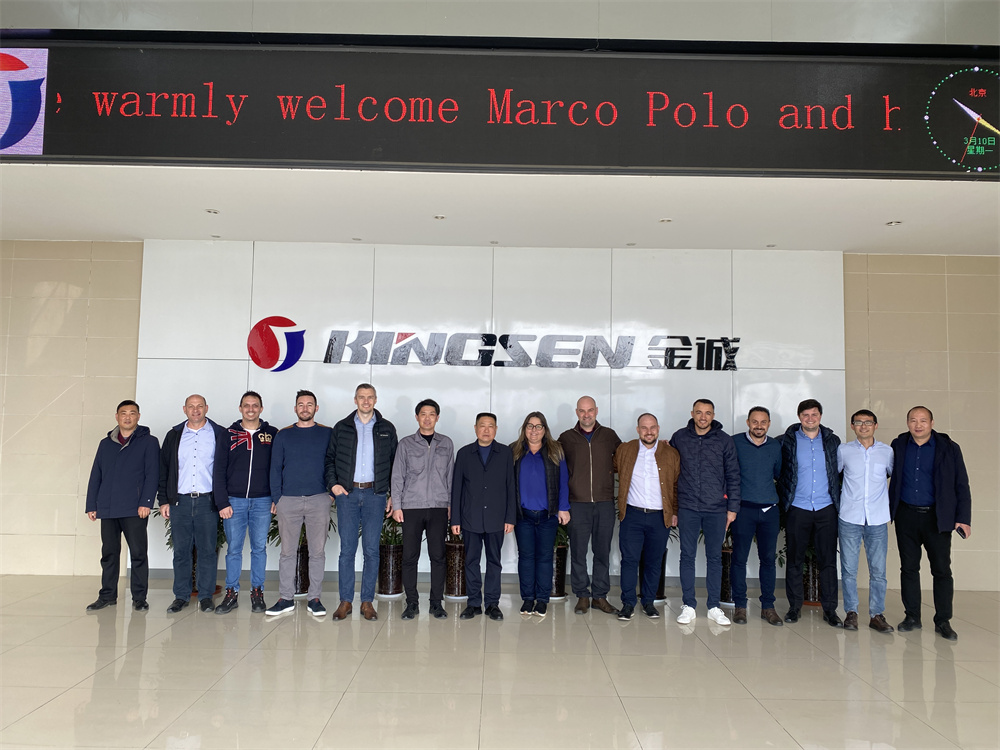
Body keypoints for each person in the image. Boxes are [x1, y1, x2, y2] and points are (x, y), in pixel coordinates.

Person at [889, 406, 972, 641]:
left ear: (932, 423)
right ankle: (912, 616)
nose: (918, 425)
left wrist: (963, 518)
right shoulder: (899, 445)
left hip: (937, 517)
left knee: (941, 570)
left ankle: (943, 620)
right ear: (907, 423)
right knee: (909, 568)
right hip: (906, 515)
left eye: (923, 420)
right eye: (913, 420)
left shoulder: (949, 448)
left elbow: (961, 484)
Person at [325, 383, 398, 622]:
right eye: (361, 397)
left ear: (376, 400)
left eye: (370, 397)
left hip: (375, 495)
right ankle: (345, 601)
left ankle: (367, 602)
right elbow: (330, 459)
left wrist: (392, 494)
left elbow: (395, 463)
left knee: (371, 550)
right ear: (355, 400)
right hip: (347, 494)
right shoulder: (342, 427)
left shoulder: (387, 428)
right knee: (347, 550)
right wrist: (334, 485)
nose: (366, 401)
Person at [670, 399, 741, 627]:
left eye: (708, 413)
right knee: (687, 556)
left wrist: (732, 509)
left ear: (713, 415)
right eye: (699, 412)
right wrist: (673, 508)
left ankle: (713, 607)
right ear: (692, 413)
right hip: (688, 506)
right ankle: (688, 605)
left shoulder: (724, 440)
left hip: (716, 509)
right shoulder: (679, 437)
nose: (703, 417)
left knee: (715, 558)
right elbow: (670, 470)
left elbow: (733, 475)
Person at [85, 400, 160, 612]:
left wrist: (146, 502)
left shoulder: (149, 442)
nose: (127, 417)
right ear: (117, 417)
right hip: (108, 507)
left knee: (138, 553)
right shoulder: (105, 443)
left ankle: (139, 598)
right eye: (123, 413)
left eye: (132, 413)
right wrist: (92, 504)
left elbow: (152, 474)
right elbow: (96, 474)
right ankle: (107, 595)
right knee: (109, 553)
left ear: (138, 417)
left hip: (134, 508)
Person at [265, 390, 334, 618]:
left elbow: (336, 463)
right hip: (289, 501)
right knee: (287, 552)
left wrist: (331, 494)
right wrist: (278, 498)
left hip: (319, 499)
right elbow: (275, 468)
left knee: (317, 552)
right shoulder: (283, 435)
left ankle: (314, 598)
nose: (305, 408)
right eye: (301, 404)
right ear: (295, 409)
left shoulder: (327, 434)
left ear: (316, 408)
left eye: (309, 404)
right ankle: (286, 598)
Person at [158, 394, 229, 614]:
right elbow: (164, 469)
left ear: (207, 408)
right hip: (179, 502)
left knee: (207, 551)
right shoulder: (174, 435)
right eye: (191, 406)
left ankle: (206, 596)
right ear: (184, 409)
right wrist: (163, 500)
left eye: (199, 406)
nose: (195, 410)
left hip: (207, 501)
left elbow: (226, 469)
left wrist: (223, 501)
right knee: (181, 551)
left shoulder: (219, 434)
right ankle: (181, 596)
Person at [777, 398, 842, 626]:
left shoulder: (833, 441)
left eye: (814, 414)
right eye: (805, 415)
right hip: (798, 507)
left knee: (828, 561)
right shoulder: (786, 441)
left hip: (826, 508)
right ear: (799, 417)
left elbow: (839, 472)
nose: (810, 419)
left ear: (820, 416)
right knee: (795, 559)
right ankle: (794, 607)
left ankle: (830, 610)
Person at [558, 396, 622, 616]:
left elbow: (627, 458)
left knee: (602, 551)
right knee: (578, 552)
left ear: (596, 411)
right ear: (577, 412)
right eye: (582, 411)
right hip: (577, 504)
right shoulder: (566, 438)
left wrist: (662, 446)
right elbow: (555, 466)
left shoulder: (609, 435)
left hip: (604, 503)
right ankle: (582, 596)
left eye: (590, 410)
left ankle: (600, 596)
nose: (586, 415)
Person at [215, 391, 278, 615]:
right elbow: (218, 469)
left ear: (261, 408)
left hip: (263, 501)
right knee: (233, 549)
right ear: (240, 408)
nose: (251, 409)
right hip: (234, 501)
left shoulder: (272, 434)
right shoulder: (228, 434)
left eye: (255, 405)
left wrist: (276, 497)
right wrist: (222, 502)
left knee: (259, 548)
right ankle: (231, 593)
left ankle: (257, 592)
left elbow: (278, 468)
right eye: (246, 405)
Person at [391, 398, 454, 621]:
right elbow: (397, 476)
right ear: (417, 417)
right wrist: (397, 506)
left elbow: (450, 477)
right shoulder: (406, 444)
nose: (427, 418)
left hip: (438, 507)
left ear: (437, 417)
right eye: (423, 414)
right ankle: (412, 603)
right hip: (412, 507)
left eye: (432, 414)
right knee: (410, 556)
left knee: (438, 556)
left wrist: (450, 505)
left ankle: (436, 603)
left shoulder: (446, 443)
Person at [614, 413, 679, 621]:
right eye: (644, 427)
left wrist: (674, 512)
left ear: (658, 429)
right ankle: (628, 603)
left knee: (653, 561)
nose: (648, 432)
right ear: (638, 430)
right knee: (629, 560)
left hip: (659, 517)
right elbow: (611, 467)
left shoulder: (671, 453)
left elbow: (676, 485)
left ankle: (649, 602)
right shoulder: (625, 450)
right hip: (632, 514)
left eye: (652, 428)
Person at [451, 412, 516, 621]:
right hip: (470, 518)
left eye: (490, 426)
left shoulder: (505, 453)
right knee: (471, 561)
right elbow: (457, 489)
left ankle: (492, 604)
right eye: (482, 425)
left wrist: (510, 517)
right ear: (475, 428)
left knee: (494, 562)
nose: (486, 430)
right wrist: (455, 520)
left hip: (497, 518)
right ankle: (473, 603)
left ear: (496, 429)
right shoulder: (464, 453)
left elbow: (511, 486)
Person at [838, 409, 894, 633]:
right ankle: (851, 612)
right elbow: (835, 476)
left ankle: (876, 614)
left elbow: (893, 476)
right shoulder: (843, 451)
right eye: (858, 422)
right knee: (849, 569)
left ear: (875, 425)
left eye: (868, 422)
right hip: (849, 517)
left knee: (878, 571)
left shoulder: (887, 452)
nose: (863, 426)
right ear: (852, 426)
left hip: (877, 518)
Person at [511, 412, 570, 618]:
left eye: (538, 426)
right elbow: (507, 484)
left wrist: (563, 507)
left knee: (545, 558)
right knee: (526, 557)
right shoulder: (514, 451)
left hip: (548, 516)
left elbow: (563, 481)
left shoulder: (555, 451)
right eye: (530, 426)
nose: (534, 430)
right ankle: (528, 598)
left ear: (545, 429)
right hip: (523, 516)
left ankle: (542, 600)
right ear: (524, 429)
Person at [730, 406, 783, 626]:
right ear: (748, 423)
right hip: (743, 510)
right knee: (739, 559)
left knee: (768, 560)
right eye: (755, 421)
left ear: (768, 424)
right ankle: (740, 606)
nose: (759, 426)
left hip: (770, 511)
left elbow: (779, 474)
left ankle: (768, 607)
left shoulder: (775, 446)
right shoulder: (735, 442)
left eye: (763, 422)